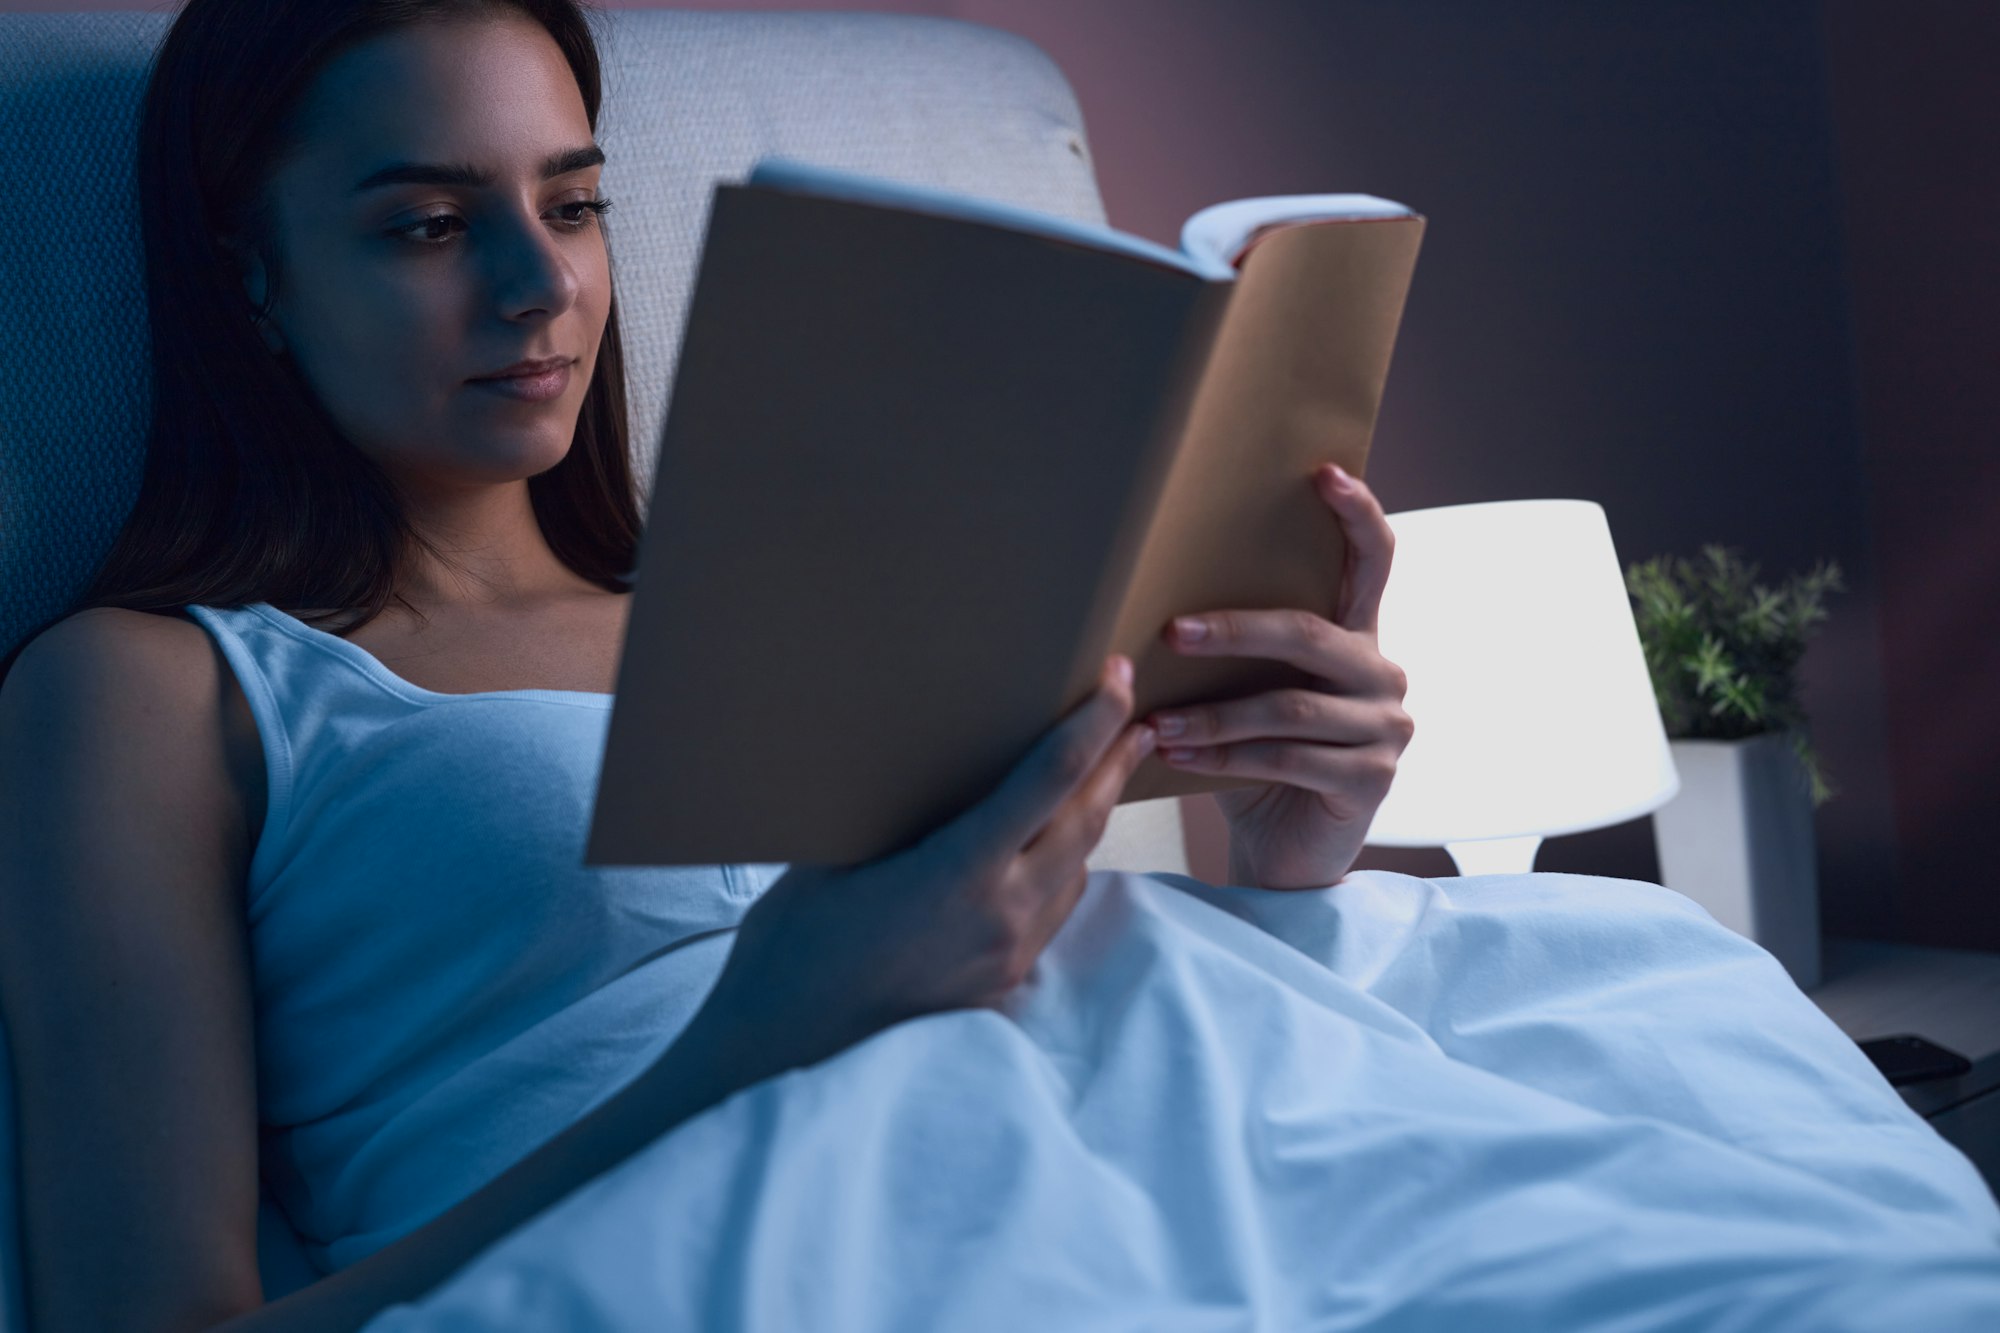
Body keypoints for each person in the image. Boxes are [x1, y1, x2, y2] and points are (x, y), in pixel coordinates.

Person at [0, 1, 1428, 1329]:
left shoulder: (810, 594)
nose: (538, 283)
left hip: (1142, 1169)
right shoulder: (156, 690)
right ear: (252, 279)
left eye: (572, 205)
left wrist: (1288, 856)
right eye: (432, 225)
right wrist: (755, 1038)